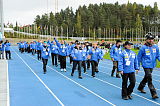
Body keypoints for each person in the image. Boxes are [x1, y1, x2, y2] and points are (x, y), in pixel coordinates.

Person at [137, 33, 160, 99]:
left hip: (152, 65)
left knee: (146, 77)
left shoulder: (155, 47)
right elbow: (139, 58)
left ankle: (140, 87)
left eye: (152, 39)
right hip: (146, 65)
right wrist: (137, 67)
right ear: (146, 40)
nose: (151, 40)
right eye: (149, 39)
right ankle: (154, 93)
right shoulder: (143, 48)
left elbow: (158, 55)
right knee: (149, 77)